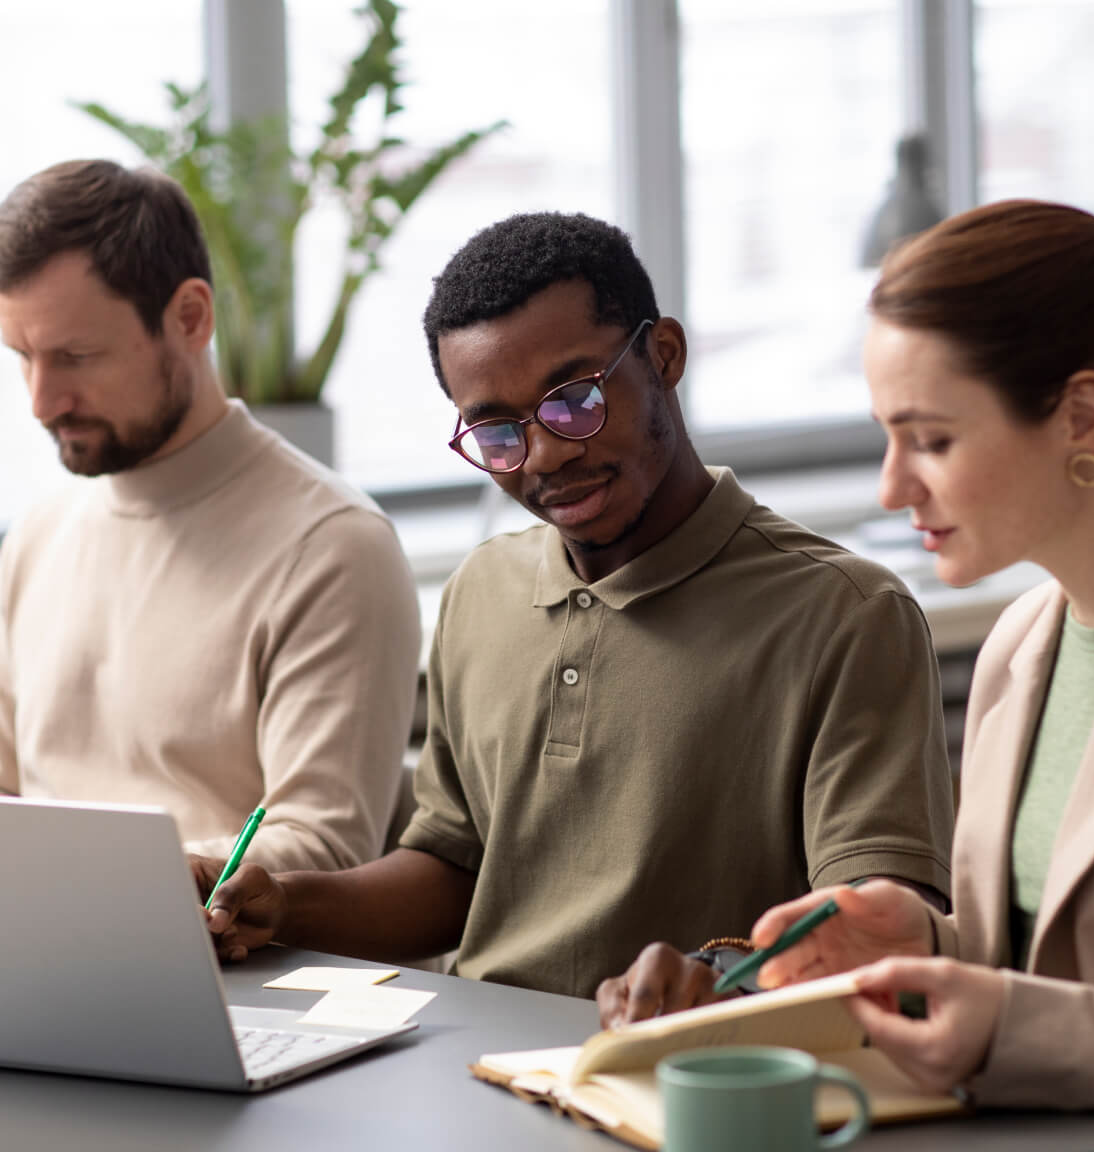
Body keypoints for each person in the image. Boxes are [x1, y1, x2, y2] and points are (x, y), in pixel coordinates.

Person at [200, 210, 954, 999]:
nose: (549, 454)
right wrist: (280, 902)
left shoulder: (847, 615)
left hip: (683, 1076)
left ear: (663, 356)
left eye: (575, 399)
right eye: (497, 431)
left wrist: (718, 976)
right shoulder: (481, 593)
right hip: (473, 1066)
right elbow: (454, 874)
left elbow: (874, 930)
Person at [615, 199, 1094, 1110]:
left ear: (1083, 416)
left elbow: (1061, 1014)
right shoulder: (1021, 648)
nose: (893, 487)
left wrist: (1007, 1023)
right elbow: (1055, 958)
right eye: (888, 436)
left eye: (931, 440)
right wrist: (927, 945)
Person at [0, 159, 421, 872]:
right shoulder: (38, 536)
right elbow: (2, 799)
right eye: (23, 357)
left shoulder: (333, 548)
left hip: (239, 973)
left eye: (76, 356)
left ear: (191, 318)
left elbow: (325, 848)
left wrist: (77, 882)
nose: (41, 402)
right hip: (51, 957)